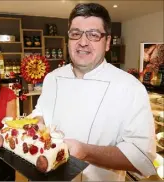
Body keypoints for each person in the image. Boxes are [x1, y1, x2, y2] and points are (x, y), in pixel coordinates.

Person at [30, 3, 157, 181]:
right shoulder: (52, 78)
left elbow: (141, 156)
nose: (83, 42)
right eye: (75, 34)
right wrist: (37, 124)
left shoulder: (130, 87)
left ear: (107, 43)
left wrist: (86, 152)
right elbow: (40, 112)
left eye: (93, 35)